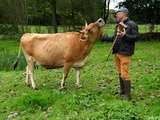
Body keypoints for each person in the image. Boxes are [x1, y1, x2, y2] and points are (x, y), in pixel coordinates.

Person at [103, 7, 139, 100]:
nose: (116, 15)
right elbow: (114, 38)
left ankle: (128, 96)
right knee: (120, 72)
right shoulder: (118, 25)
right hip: (117, 52)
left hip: (125, 52)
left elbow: (135, 37)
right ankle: (122, 92)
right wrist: (102, 37)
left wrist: (125, 35)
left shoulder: (132, 24)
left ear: (124, 14)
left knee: (124, 73)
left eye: (118, 13)